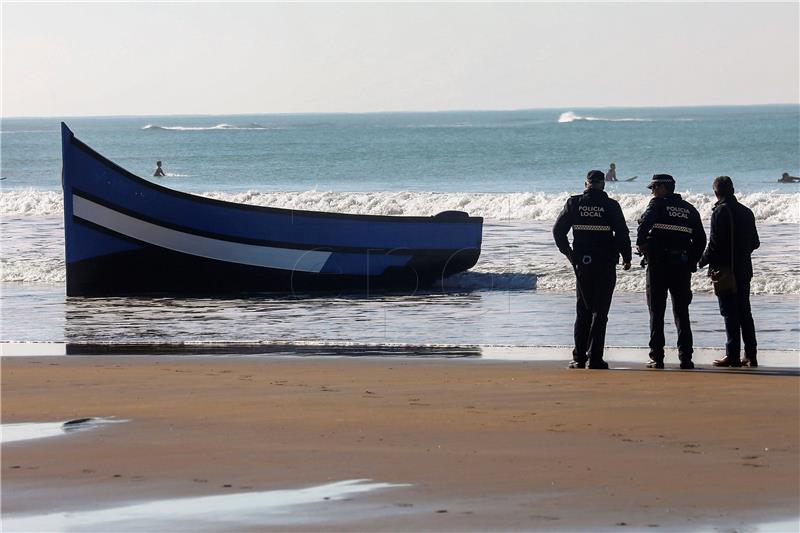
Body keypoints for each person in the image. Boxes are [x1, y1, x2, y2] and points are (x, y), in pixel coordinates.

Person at [553, 170, 632, 369]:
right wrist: (627, 257)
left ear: (586, 183)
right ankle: (595, 358)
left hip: (583, 263)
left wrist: (569, 254)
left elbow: (558, 230)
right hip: (605, 262)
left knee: (583, 311)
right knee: (601, 311)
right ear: (603, 184)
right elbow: (622, 233)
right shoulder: (611, 205)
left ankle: (579, 358)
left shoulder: (574, 203)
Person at [636, 174, 706, 369]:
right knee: (682, 312)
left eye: (653, 188)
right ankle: (686, 358)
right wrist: (692, 261)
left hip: (658, 265)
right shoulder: (689, 210)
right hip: (681, 266)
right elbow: (701, 240)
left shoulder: (656, 205)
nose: (652, 192)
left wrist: (642, 246)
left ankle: (657, 357)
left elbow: (642, 229)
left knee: (656, 312)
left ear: (662, 188)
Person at [698, 176, 760, 367]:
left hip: (725, 270)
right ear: (732, 189)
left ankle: (732, 355)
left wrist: (701, 261)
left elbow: (715, 244)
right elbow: (755, 243)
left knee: (729, 313)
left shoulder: (720, 211)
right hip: (744, 269)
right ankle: (751, 355)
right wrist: (741, 254)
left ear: (716, 193)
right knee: (744, 312)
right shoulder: (747, 211)